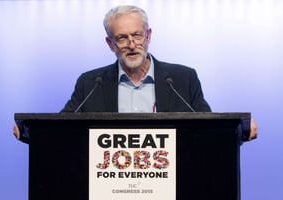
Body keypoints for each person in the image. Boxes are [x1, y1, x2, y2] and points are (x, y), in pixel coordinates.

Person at [13, 5, 258, 141]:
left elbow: (209, 129)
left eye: (137, 35)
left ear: (148, 36)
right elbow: (61, 128)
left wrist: (239, 131)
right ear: (110, 44)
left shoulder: (183, 79)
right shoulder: (91, 83)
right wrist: (29, 133)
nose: (131, 44)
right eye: (121, 38)